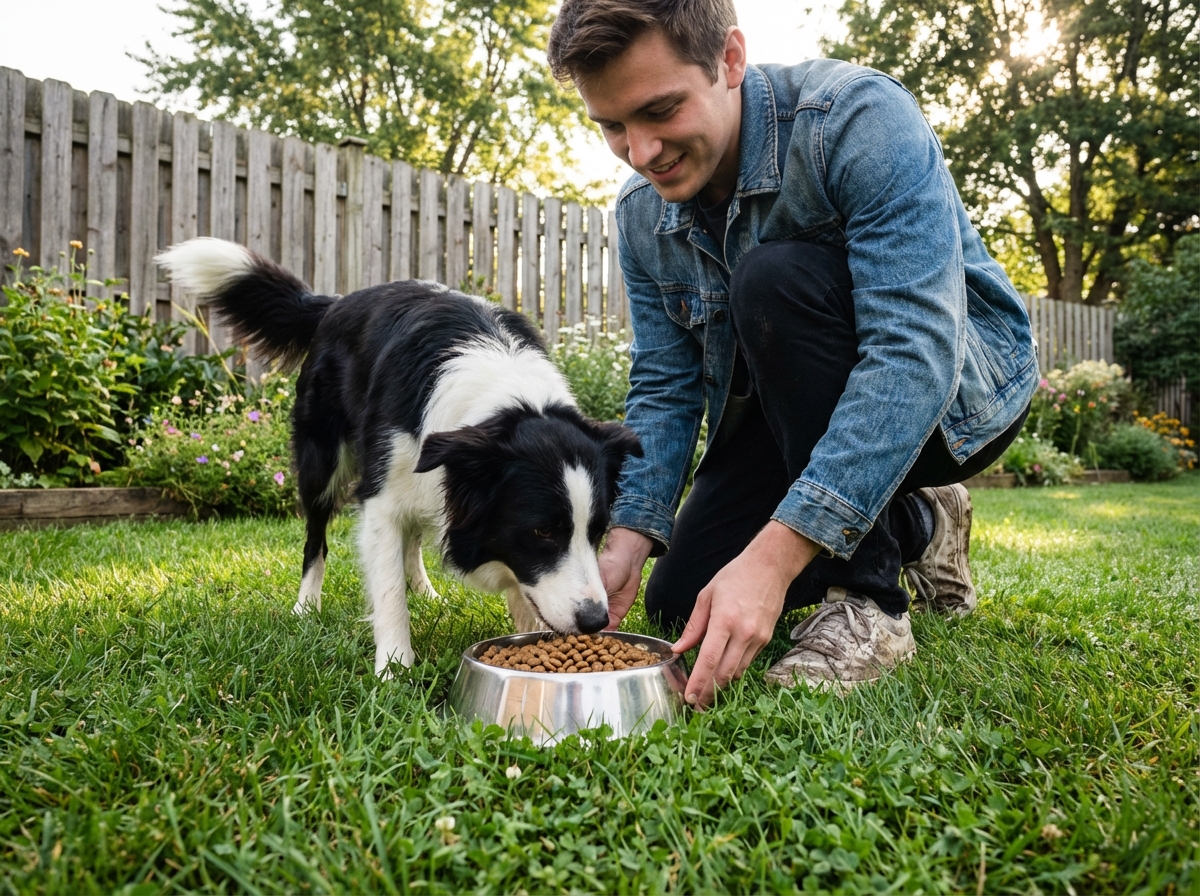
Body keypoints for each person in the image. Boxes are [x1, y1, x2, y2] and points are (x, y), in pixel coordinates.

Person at [547, 0, 1038, 707]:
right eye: (613, 126)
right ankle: (921, 522)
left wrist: (777, 561)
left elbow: (912, 352)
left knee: (775, 279)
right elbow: (666, 384)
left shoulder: (857, 120)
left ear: (731, 61)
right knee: (680, 603)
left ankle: (869, 603)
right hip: (789, 422)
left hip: (956, 398)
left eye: (660, 110)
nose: (641, 151)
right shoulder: (640, 214)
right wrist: (629, 535)